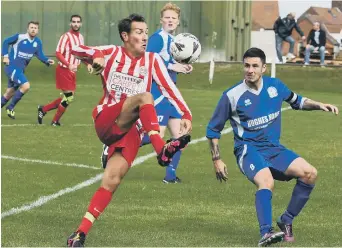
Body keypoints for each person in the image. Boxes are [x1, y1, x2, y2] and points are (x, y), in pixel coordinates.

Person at [66, 14, 192, 247]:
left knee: (111, 181)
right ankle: (161, 152)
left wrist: (186, 114)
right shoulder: (112, 52)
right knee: (145, 97)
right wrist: (95, 57)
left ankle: (79, 234)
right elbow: (76, 48)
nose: (145, 37)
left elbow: (170, 87)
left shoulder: (153, 60)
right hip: (107, 119)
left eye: (146, 32)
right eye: (139, 32)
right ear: (125, 36)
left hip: (130, 131)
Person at [206, 47, 339, 247]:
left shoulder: (275, 86)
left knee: (310, 173)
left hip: (273, 148)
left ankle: (286, 220)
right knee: (266, 182)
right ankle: (266, 233)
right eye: (247, 65)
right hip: (248, 150)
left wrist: (320, 104)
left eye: (254, 66)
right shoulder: (231, 95)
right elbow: (213, 130)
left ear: (264, 68)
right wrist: (217, 159)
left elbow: (298, 101)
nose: (250, 70)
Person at [101, 3, 193, 183]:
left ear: (178, 22)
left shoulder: (174, 40)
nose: (170, 21)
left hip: (169, 94)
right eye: (167, 17)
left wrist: (183, 65)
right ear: (161, 20)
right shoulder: (158, 38)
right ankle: (112, 144)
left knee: (180, 137)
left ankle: (170, 176)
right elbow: (145, 60)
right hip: (157, 94)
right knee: (154, 135)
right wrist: (173, 66)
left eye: (173, 18)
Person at [38, 14, 91, 126]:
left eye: (78, 22)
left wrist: (87, 64)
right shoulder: (66, 36)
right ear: (70, 23)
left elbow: (80, 54)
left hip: (72, 71)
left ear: (80, 24)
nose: (76, 24)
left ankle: (43, 109)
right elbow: (57, 53)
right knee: (69, 98)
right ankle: (55, 121)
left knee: (66, 98)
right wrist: (68, 64)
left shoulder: (80, 37)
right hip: (63, 70)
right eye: (74, 22)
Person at [1, 21, 55, 119]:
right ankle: (10, 107)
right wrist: (5, 56)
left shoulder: (37, 42)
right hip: (12, 67)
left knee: (9, 93)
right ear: (28, 29)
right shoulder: (19, 37)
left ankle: (7, 106)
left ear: (38, 30)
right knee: (26, 86)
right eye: (31, 27)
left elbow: (40, 54)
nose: (33, 29)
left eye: (35, 28)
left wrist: (47, 60)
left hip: (20, 70)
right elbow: (5, 42)